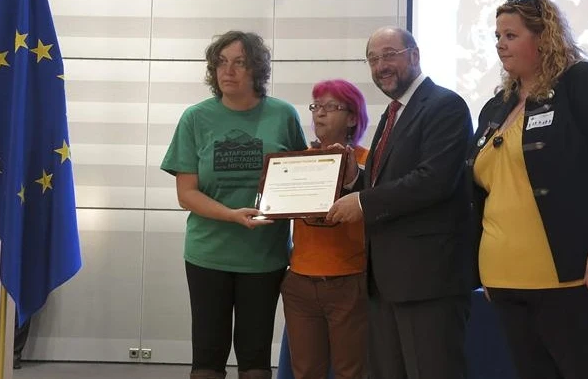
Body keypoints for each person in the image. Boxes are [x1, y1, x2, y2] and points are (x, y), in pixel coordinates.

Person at [469, 0, 588, 379]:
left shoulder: (585, 83)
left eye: (510, 35)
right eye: (496, 36)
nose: (499, 45)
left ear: (543, 37)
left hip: (581, 275)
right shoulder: (497, 106)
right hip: (509, 281)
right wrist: (488, 271)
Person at [328, 27, 477, 379]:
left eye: (390, 54)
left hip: (429, 281)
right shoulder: (393, 113)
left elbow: (434, 181)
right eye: (373, 59)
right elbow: (389, 184)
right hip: (386, 280)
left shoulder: (445, 105)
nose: (381, 65)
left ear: (414, 55)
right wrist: (353, 180)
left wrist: (362, 201)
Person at [161, 31, 308, 379]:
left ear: (257, 69)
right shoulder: (195, 118)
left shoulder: (283, 115)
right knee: (208, 356)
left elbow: (299, 178)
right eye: (221, 63)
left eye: (239, 62)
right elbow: (187, 195)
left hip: (264, 256)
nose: (228, 71)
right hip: (208, 254)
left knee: (255, 356)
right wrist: (231, 215)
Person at [281, 79, 370, 379]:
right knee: (305, 372)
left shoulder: (368, 160)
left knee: (351, 372)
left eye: (331, 107)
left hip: (349, 280)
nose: (320, 114)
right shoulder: (295, 161)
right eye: (316, 106)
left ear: (353, 117)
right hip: (300, 282)